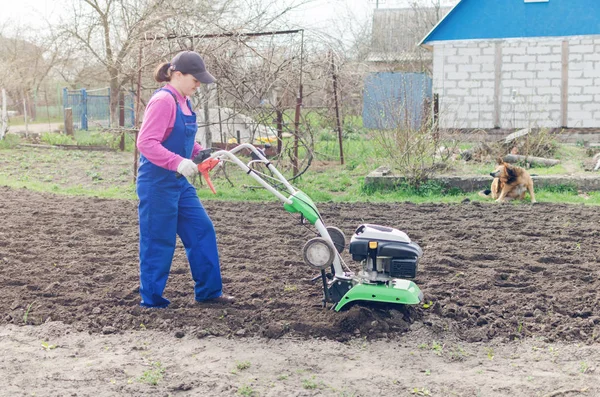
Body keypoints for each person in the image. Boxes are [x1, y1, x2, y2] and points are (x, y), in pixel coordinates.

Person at [136, 50, 234, 308]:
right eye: (195, 78)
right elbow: (146, 143)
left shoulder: (185, 101)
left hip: (178, 183)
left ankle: (209, 292)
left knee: (202, 230)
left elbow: (181, 139)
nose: (198, 84)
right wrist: (178, 162)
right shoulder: (164, 101)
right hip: (157, 184)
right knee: (159, 241)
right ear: (177, 75)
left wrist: (199, 155)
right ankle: (152, 301)